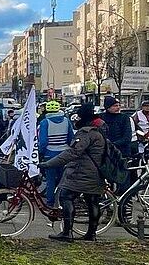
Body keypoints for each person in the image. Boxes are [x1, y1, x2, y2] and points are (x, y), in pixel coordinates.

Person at [43, 102, 107, 242]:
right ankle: (91, 234)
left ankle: (67, 233)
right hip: (96, 172)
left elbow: (72, 153)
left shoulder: (85, 133)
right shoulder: (99, 131)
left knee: (66, 196)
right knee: (92, 201)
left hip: (82, 172)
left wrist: (49, 164)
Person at [37, 100, 74, 208]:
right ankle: (63, 201)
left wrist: (41, 153)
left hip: (50, 154)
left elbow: (43, 142)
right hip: (65, 154)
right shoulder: (67, 121)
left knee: (50, 180)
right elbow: (71, 138)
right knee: (64, 180)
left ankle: (50, 202)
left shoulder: (45, 122)